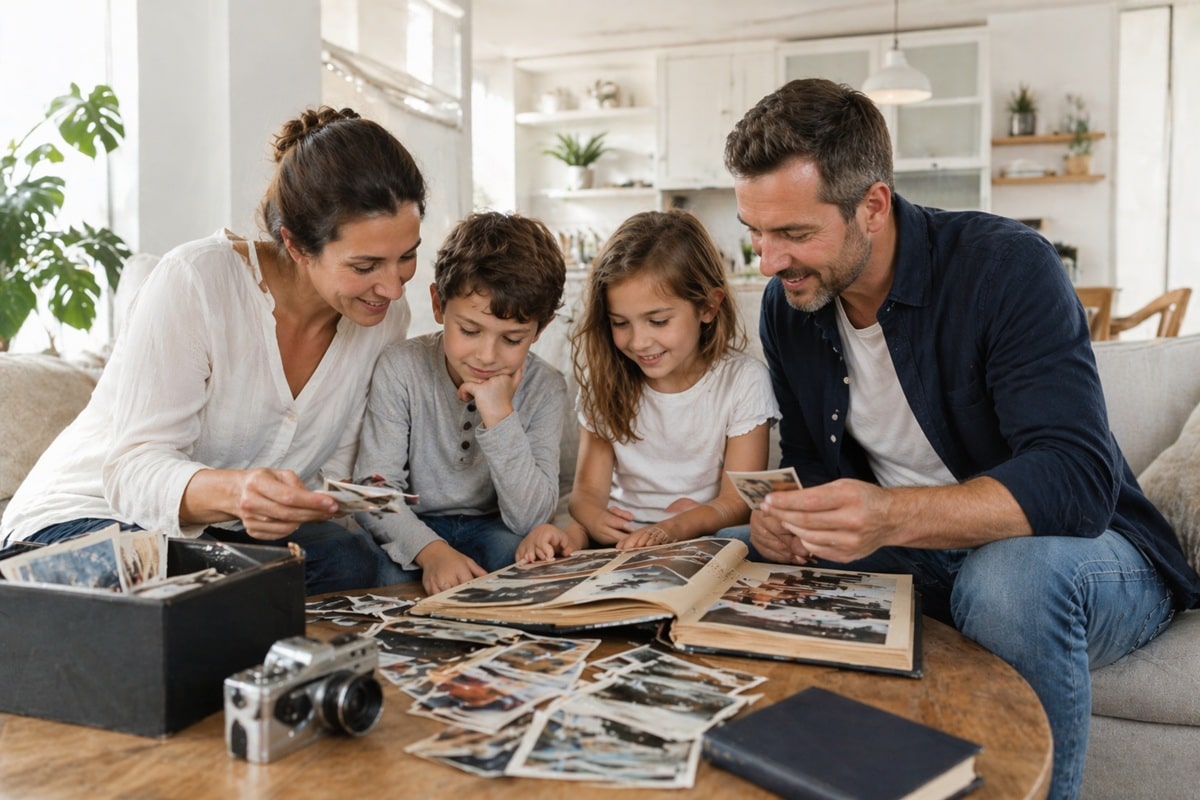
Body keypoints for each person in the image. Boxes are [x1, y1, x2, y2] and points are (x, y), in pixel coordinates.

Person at [723, 78, 1200, 800]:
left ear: (873, 207)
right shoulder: (790, 308)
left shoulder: (1005, 268)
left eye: (793, 234)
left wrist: (889, 514)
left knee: (1009, 583)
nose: (767, 260)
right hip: (926, 557)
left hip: (1084, 555)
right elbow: (816, 466)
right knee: (742, 559)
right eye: (753, 232)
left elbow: (1076, 480)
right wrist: (795, 524)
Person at [1, 106, 426, 596]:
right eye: (366, 264)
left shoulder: (383, 318)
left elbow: (336, 472)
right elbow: (133, 472)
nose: (392, 288)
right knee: (183, 586)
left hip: (219, 534)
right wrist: (239, 493)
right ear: (295, 244)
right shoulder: (197, 281)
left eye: (407, 256)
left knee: (350, 562)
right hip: (89, 516)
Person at [520, 209, 779, 563]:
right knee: (569, 533)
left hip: (699, 531)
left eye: (658, 321)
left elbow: (737, 503)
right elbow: (585, 493)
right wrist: (597, 521)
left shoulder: (744, 381)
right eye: (620, 323)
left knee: (745, 536)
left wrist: (675, 529)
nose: (639, 342)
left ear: (707, 306)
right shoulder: (606, 381)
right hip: (622, 536)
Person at [352, 211, 568, 595]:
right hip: (415, 523)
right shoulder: (401, 367)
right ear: (439, 305)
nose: (487, 355)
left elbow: (531, 516)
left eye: (512, 339)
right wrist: (431, 552)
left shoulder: (547, 387)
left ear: (541, 329)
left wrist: (500, 415)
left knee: (526, 572)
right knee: (383, 578)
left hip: (495, 527)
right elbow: (372, 491)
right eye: (470, 330)